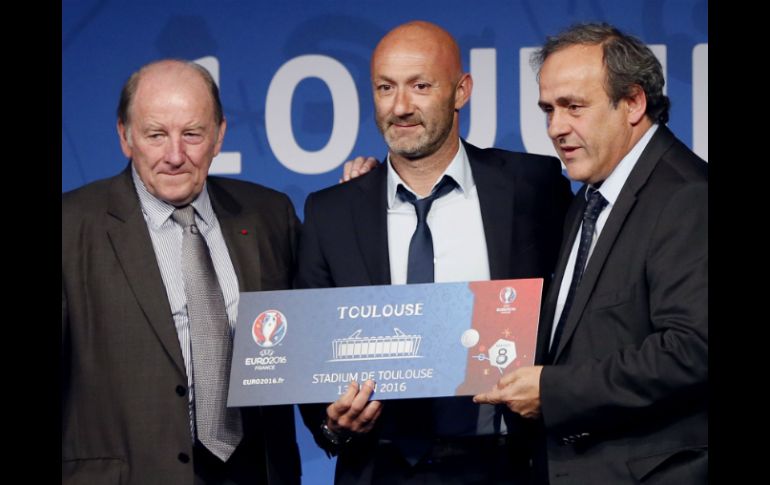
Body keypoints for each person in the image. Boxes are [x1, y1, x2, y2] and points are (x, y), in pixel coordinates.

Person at [297, 21, 573, 484]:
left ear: (461, 91)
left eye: (420, 86)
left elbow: (578, 311)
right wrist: (331, 423)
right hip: (381, 468)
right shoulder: (332, 212)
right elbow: (311, 348)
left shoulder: (534, 187)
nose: (400, 106)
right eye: (386, 88)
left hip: (509, 464)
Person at [474, 23, 708, 484]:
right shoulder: (589, 198)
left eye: (574, 107)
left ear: (633, 103)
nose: (556, 128)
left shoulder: (687, 195)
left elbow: (692, 349)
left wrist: (553, 390)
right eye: (548, 109)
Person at [62, 59, 301, 484]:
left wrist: (358, 201)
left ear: (219, 136)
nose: (175, 156)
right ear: (125, 136)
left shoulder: (268, 214)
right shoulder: (71, 226)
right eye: (156, 135)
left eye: (192, 134)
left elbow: (313, 333)